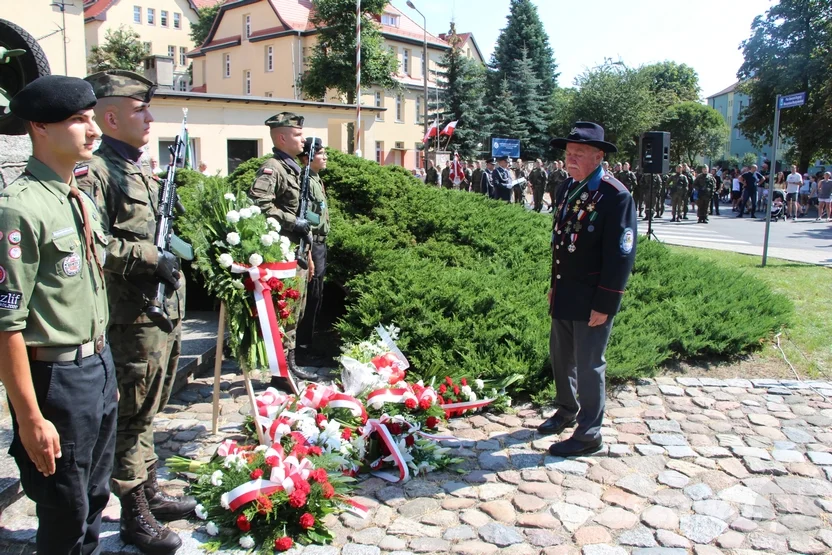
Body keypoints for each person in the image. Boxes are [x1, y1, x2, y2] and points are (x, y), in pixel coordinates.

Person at [76, 70, 195, 554]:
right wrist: (151, 257)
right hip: (131, 318)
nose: (149, 117)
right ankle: (134, 514)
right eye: (139, 109)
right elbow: (94, 243)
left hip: (160, 313)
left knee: (148, 412)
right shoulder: (97, 173)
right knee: (130, 418)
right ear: (110, 117)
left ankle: (148, 490)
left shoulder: (138, 168)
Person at [0, 75, 117, 555]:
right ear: (39, 127)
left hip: (98, 366)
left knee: (93, 496)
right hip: (56, 378)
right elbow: (5, 324)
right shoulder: (19, 209)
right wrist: (30, 419)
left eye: (92, 119)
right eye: (77, 120)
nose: (93, 131)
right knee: (63, 508)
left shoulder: (79, 198)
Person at [538, 122, 636, 456]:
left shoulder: (615, 195)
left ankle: (590, 433)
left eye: (579, 154)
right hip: (565, 290)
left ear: (598, 156)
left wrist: (606, 303)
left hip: (593, 296)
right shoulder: (567, 187)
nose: (570, 159)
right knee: (561, 357)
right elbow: (561, 241)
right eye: (568, 153)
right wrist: (554, 285)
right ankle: (567, 410)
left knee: (589, 362)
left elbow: (620, 255)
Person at [248, 112, 318, 391]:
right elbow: (260, 204)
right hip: (282, 251)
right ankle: (280, 372)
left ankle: (290, 363)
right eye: (298, 135)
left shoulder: (294, 168)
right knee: (285, 310)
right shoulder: (272, 168)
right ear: (282, 137)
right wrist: (292, 222)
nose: (303, 139)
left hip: (297, 250)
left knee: (296, 310)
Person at [296, 138, 330, 364]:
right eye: (321, 154)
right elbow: (304, 217)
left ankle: (306, 343)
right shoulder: (305, 180)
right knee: (310, 295)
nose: (326, 157)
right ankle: (301, 348)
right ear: (307, 157)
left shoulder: (316, 179)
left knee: (317, 295)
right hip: (311, 244)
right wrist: (308, 252)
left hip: (320, 243)